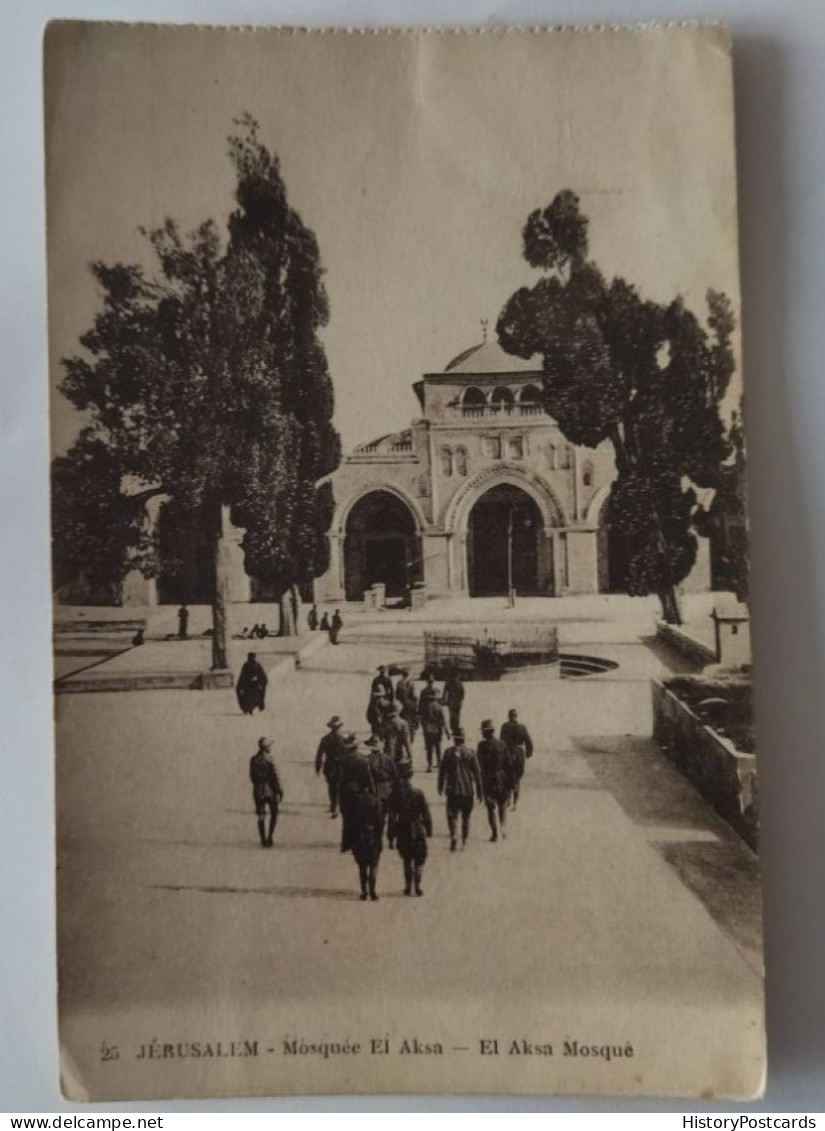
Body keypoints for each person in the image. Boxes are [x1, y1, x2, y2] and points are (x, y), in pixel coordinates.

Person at [387, 763, 432, 896]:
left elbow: (391, 817)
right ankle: (417, 887)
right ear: (411, 776)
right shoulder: (418, 793)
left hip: (403, 828)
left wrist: (391, 836)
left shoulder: (395, 794)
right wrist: (429, 830)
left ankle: (408, 887)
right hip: (417, 828)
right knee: (419, 859)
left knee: (407, 860)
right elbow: (426, 813)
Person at [438, 726, 483, 851]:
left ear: (454, 739)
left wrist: (440, 786)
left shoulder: (448, 752)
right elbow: (477, 774)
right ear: (464, 739)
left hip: (453, 789)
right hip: (467, 790)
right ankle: (465, 841)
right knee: (466, 817)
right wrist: (480, 791)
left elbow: (442, 772)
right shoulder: (471, 753)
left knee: (452, 815)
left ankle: (453, 835)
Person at [337, 734, 376, 852]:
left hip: (345, 791)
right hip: (359, 791)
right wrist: (372, 793)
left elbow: (339, 777)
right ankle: (358, 841)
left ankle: (346, 843)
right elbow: (368, 778)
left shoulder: (342, 759)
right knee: (358, 816)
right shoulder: (364, 760)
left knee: (346, 817)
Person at [347, 780, 384, 901]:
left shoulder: (353, 801)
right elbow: (380, 822)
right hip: (372, 834)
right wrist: (379, 838)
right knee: (373, 864)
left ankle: (364, 892)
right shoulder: (375, 801)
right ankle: (373, 891)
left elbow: (350, 822)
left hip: (359, 835)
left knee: (362, 866)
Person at [477, 719, 511, 843]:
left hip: (488, 779)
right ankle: (502, 828)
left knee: (491, 807)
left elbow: (479, 763)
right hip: (502, 778)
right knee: (502, 805)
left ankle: (495, 833)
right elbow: (508, 763)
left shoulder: (481, 746)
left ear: (485, 733)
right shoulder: (502, 744)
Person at [249, 737, 283, 848]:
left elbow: (252, 777)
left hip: (258, 790)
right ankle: (270, 837)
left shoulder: (253, 759)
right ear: (267, 747)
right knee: (274, 813)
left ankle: (263, 839)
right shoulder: (270, 759)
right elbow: (275, 776)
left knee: (261, 815)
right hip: (270, 790)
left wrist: (258, 784)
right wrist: (279, 790)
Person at [500, 708, 534, 810]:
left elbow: (501, 741)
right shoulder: (522, 727)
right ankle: (515, 803)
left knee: (507, 777)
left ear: (509, 716)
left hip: (508, 753)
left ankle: (508, 800)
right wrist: (528, 754)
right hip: (519, 754)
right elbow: (529, 742)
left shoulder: (505, 726)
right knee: (517, 779)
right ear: (516, 716)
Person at [364, 734, 400, 830]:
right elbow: (395, 774)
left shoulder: (367, 760)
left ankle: (379, 832)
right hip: (388, 787)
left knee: (378, 812)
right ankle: (391, 836)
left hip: (374, 788)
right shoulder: (388, 758)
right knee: (391, 811)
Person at [315, 715, 347, 818]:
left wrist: (318, 768)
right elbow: (347, 755)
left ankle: (333, 806)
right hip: (341, 766)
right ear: (339, 727)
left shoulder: (325, 739)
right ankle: (336, 807)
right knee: (339, 787)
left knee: (331, 787)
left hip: (329, 766)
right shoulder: (343, 740)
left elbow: (319, 755)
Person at [419, 677, 450, 772]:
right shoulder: (439, 707)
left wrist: (423, 726)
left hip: (428, 728)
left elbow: (422, 717)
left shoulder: (425, 706)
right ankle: (439, 763)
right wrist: (447, 731)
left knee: (429, 747)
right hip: (438, 728)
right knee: (437, 745)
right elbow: (444, 720)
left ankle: (430, 765)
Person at [441, 668, 465, 734]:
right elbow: (463, 692)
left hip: (451, 702)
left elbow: (445, 692)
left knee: (452, 715)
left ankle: (453, 729)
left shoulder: (448, 681)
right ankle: (456, 728)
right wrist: (460, 700)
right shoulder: (459, 682)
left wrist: (443, 700)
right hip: (458, 702)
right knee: (457, 715)